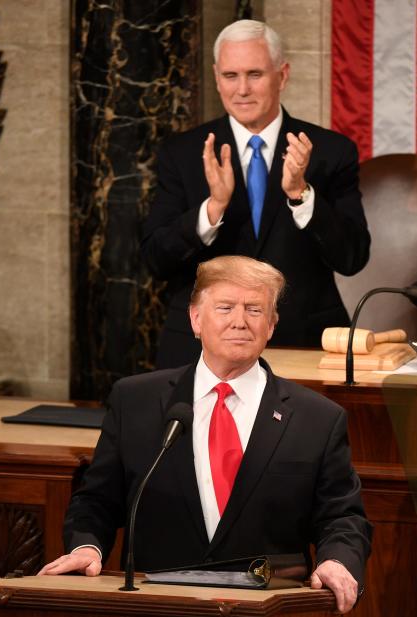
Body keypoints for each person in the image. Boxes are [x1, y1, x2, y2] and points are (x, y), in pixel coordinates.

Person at [40, 255, 372, 614]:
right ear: (196, 319)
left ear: (272, 325)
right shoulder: (135, 401)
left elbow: (342, 517)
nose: (239, 322)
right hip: (157, 611)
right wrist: (86, 548)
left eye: (255, 310)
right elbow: (97, 501)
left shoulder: (317, 418)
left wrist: (337, 560)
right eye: (225, 307)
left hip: (268, 615)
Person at [142, 20, 370, 369]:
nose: (242, 89)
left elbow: (352, 257)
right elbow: (156, 258)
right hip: (201, 349)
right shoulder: (183, 152)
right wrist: (212, 208)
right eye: (231, 76)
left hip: (302, 342)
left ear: (283, 75)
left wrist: (301, 194)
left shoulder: (330, 152)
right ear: (216, 77)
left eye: (255, 74)